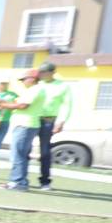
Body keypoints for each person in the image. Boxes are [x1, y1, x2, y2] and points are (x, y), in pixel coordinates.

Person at [0, 69, 44, 192]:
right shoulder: (32, 90)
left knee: (18, 155)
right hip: (26, 125)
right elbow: (18, 103)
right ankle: (20, 181)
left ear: (32, 78)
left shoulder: (35, 90)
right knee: (22, 155)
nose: (22, 82)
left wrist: (3, 105)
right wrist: (4, 103)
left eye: (23, 79)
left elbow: (22, 105)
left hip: (25, 125)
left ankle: (17, 182)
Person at [34, 62, 72, 191]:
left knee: (45, 151)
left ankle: (45, 181)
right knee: (23, 149)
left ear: (52, 73)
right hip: (31, 119)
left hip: (48, 121)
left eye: (45, 72)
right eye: (41, 72)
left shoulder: (63, 86)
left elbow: (67, 105)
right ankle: (19, 178)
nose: (42, 75)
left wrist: (61, 122)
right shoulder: (36, 84)